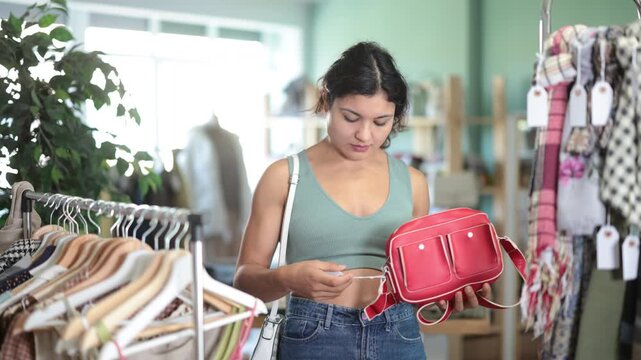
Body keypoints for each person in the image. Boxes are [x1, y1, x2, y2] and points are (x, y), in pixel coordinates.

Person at [234, 42, 491, 359]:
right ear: (326, 99)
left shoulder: (414, 183)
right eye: (351, 117)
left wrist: (447, 292)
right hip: (314, 336)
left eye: (381, 122)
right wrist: (285, 279)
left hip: (397, 332)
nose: (365, 135)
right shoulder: (283, 177)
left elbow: (419, 285)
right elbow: (244, 280)